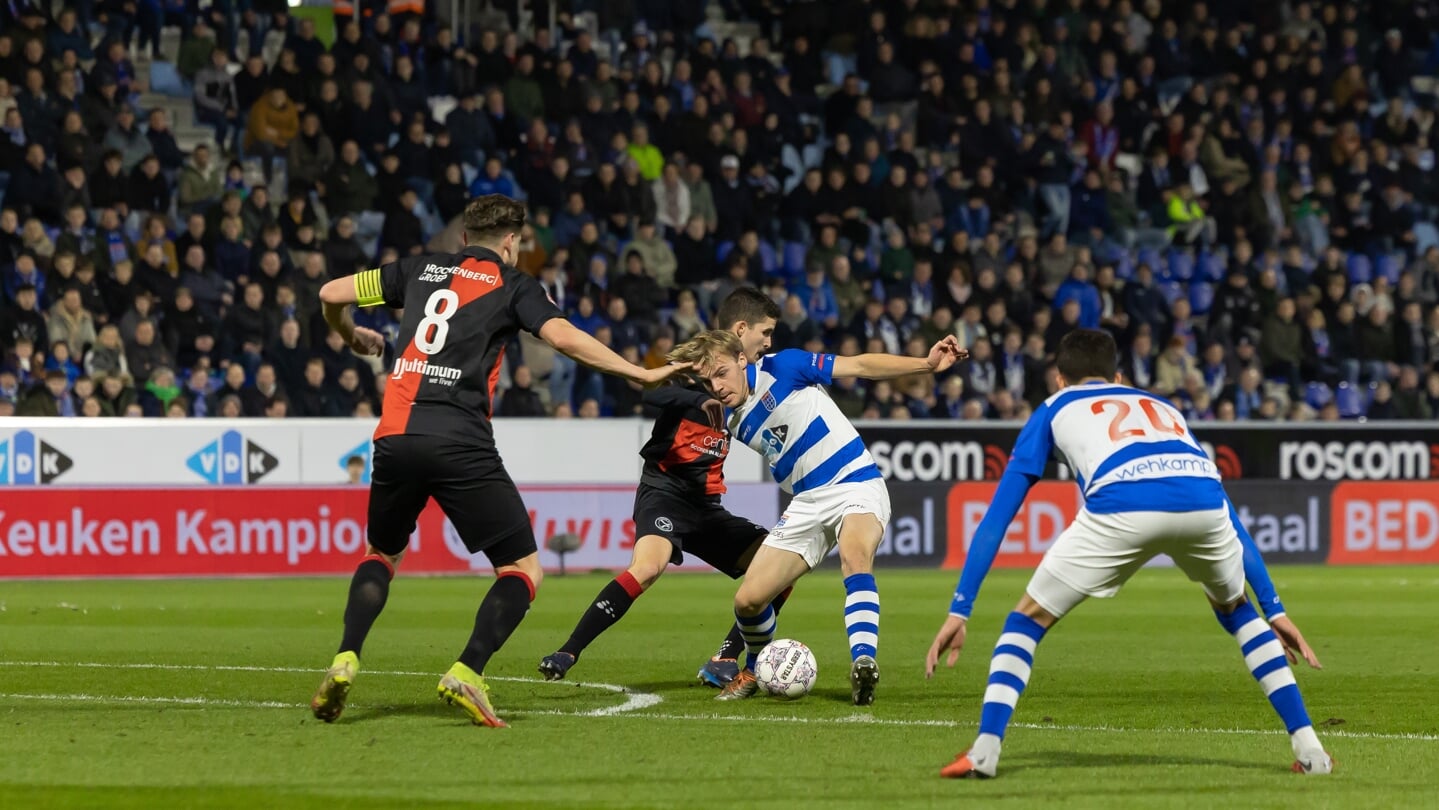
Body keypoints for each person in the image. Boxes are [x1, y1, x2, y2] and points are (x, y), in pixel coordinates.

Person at [309, 195, 688, 728]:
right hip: (460, 438)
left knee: (382, 554)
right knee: (521, 569)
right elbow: (562, 337)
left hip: (396, 435)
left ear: (463, 238)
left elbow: (330, 293)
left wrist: (351, 335)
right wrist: (639, 373)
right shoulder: (516, 285)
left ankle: (345, 658)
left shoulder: (419, 268)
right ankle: (467, 670)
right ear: (512, 242)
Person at [926, 328, 1330, 779]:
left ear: (1060, 379)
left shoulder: (1052, 408)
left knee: (1025, 621)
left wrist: (960, 609)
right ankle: (1311, 750)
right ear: (1118, 377)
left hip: (1122, 504)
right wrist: (1274, 608)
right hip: (1203, 506)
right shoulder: (1164, 407)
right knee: (1238, 611)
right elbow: (1228, 513)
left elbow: (998, 518)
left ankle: (985, 751)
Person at [670, 328, 966, 705]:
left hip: (855, 482)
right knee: (747, 601)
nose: (717, 385)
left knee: (855, 557)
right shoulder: (726, 416)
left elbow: (860, 365)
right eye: (709, 379)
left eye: (722, 373)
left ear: (742, 359)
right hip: (807, 503)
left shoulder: (786, 366)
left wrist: (925, 364)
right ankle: (756, 667)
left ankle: (863, 663)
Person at [537, 288, 784, 688]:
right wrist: (696, 398)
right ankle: (568, 650)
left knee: (780, 566)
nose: (768, 344)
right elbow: (652, 392)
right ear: (742, 331)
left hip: (707, 507)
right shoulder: (696, 368)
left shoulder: (747, 383)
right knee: (648, 568)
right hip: (664, 493)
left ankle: (724, 657)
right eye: (766, 333)